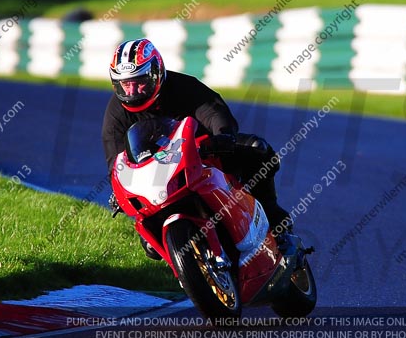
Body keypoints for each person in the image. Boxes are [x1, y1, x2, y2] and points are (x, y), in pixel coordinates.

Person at [102, 38, 292, 259]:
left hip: (203, 154)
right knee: (150, 245)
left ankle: (277, 226)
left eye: (139, 81)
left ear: (156, 73)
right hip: (155, 176)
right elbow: (115, 161)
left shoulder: (182, 86)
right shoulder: (116, 114)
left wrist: (223, 136)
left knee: (258, 150)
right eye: (126, 84)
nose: (133, 90)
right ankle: (189, 263)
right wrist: (119, 189)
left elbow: (213, 111)